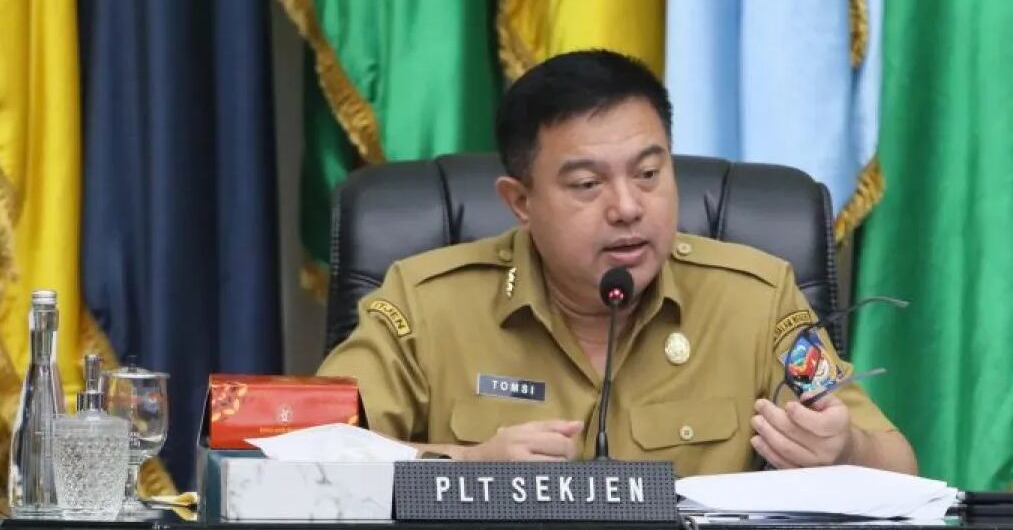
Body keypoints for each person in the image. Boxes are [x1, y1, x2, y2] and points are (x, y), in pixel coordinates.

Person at [318, 49, 917, 477]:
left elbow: (904, 471)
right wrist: (466, 465)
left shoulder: (758, 302)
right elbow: (310, 453)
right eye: (586, 185)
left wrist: (845, 452)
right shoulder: (426, 306)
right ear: (520, 201)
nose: (629, 207)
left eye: (650, 174)